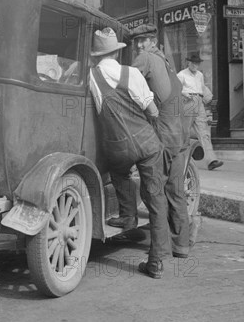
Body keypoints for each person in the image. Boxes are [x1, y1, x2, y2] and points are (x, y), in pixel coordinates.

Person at [89, 27, 169, 279]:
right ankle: (155, 261)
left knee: (119, 173)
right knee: (156, 197)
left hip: (118, 147)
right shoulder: (132, 72)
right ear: (116, 52)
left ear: (96, 56)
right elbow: (152, 110)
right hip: (147, 143)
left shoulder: (91, 77)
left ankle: (128, 216)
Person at [128, 23, 191, 257]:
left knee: (153, 191)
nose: (139, 45)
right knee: (176, 191)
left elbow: (125, 83)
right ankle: (181, 245)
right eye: (137, 41)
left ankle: (160, 250)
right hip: (179, 136)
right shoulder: (166, 61)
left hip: (163, 136)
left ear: (152, 41)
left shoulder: (145, 58)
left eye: (143, 40)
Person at [177, 52, 223, 171]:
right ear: (189, 63)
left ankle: (211, 160)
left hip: (199, 102)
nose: (195, 65)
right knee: (185, 132)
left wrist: (208, 98)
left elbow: (202, 88)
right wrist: (185, 95)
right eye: (193, 63)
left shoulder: (200, 75)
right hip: (188, 101)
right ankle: (180, 160)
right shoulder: (181, 75)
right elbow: (176, 89)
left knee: (204, 133)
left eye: (197, 63)